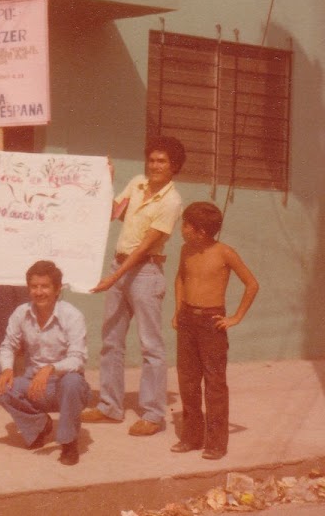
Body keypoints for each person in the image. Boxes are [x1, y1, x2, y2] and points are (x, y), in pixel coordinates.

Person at [84, 136, 186, 437]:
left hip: (145, 273)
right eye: (152, 160)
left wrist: (113, 279)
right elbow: (114, 213)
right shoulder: (138, 183)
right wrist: (107, 182)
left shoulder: (172, 201)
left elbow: (144, 248)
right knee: (111, 341)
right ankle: (109, 406)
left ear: (174, 167)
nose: (155, 166)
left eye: (162, 161)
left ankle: (153, 414)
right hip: (120, 266)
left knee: (151, 346)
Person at [169, 202, 258, 460]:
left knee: (215, 384)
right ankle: (192, 437)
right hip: (187, 320)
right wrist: (177, 310)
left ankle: (217, 443)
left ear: (201, 231)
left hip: (211, 323)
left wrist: (236, 317)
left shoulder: (225, 253)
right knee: (187, 382)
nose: (182, 229)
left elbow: (252, 284)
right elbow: (180, 278)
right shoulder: (186, 250)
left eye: (186, 225)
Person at [0, 261, 90, 466]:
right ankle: (38, 425)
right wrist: (8, 369)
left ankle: (68, 442)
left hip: (64, 385)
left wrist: (51, 369)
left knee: (72, 382)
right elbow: (8, 345)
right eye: (34, 287)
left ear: (57, 289)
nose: (39, 292)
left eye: (45, 286)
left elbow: (78, 358)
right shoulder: (21, 312)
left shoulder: (72, 315)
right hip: (34, 383)